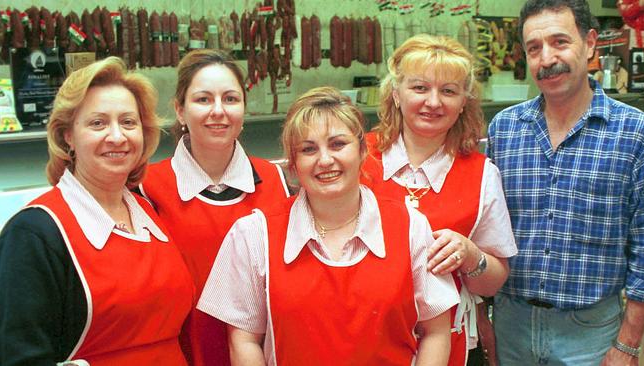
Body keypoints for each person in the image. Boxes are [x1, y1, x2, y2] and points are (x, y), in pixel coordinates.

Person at [196, 86, 460, 366]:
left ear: (361, 150)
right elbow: (244, 340)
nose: (325, 160)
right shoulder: (253, 234)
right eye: (308, 149)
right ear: (294, 164)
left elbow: (436, 332)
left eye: (337, 144)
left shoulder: (410, 227)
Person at [0, 57, 194, 365]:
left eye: (128, 123)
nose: (117, 137)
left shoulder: (148, 211)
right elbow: (19, 358)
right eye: (98, 123)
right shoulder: (34, 233)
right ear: (67, 136)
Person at [487, 0, 644, 365]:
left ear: (589, 43)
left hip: (590, 331)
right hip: (511, 321)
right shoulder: (504, 129)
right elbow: (487, 231)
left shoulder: (635, 132)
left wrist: (628, 343)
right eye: (534, 48)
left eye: (560, 42)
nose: (546, 59)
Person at [361, 34, 517, 366]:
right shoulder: (358, 157)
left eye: (448, 91)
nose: (433, 102)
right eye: (420, 88)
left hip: (452, 345)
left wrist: (471, 254)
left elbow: (493, 282)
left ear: (464, 102)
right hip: (362, 338)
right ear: (396, 94)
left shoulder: (482, 173)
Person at [139, 49, 290, 366]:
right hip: (181, 355)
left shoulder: (276, 181)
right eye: (203, 99)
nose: (218, 111)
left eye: (231, 99)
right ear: (180, 110)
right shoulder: (147, 188)